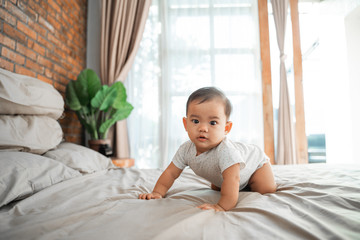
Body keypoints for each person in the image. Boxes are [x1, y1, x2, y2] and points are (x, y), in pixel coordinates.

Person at [138, 87, 276, 211]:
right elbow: (170, 174)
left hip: (255, 166)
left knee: (266, 189)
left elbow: (233, 179)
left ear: (226, 128)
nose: (203, 128)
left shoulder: (226, 151)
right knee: (218, 186)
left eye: (213, 123)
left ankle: (248, 185)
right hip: (227, 177)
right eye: (196, 121)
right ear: (185, 124)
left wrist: (221, 206)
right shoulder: (186, 149)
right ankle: (232, 185)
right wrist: (157, 192)